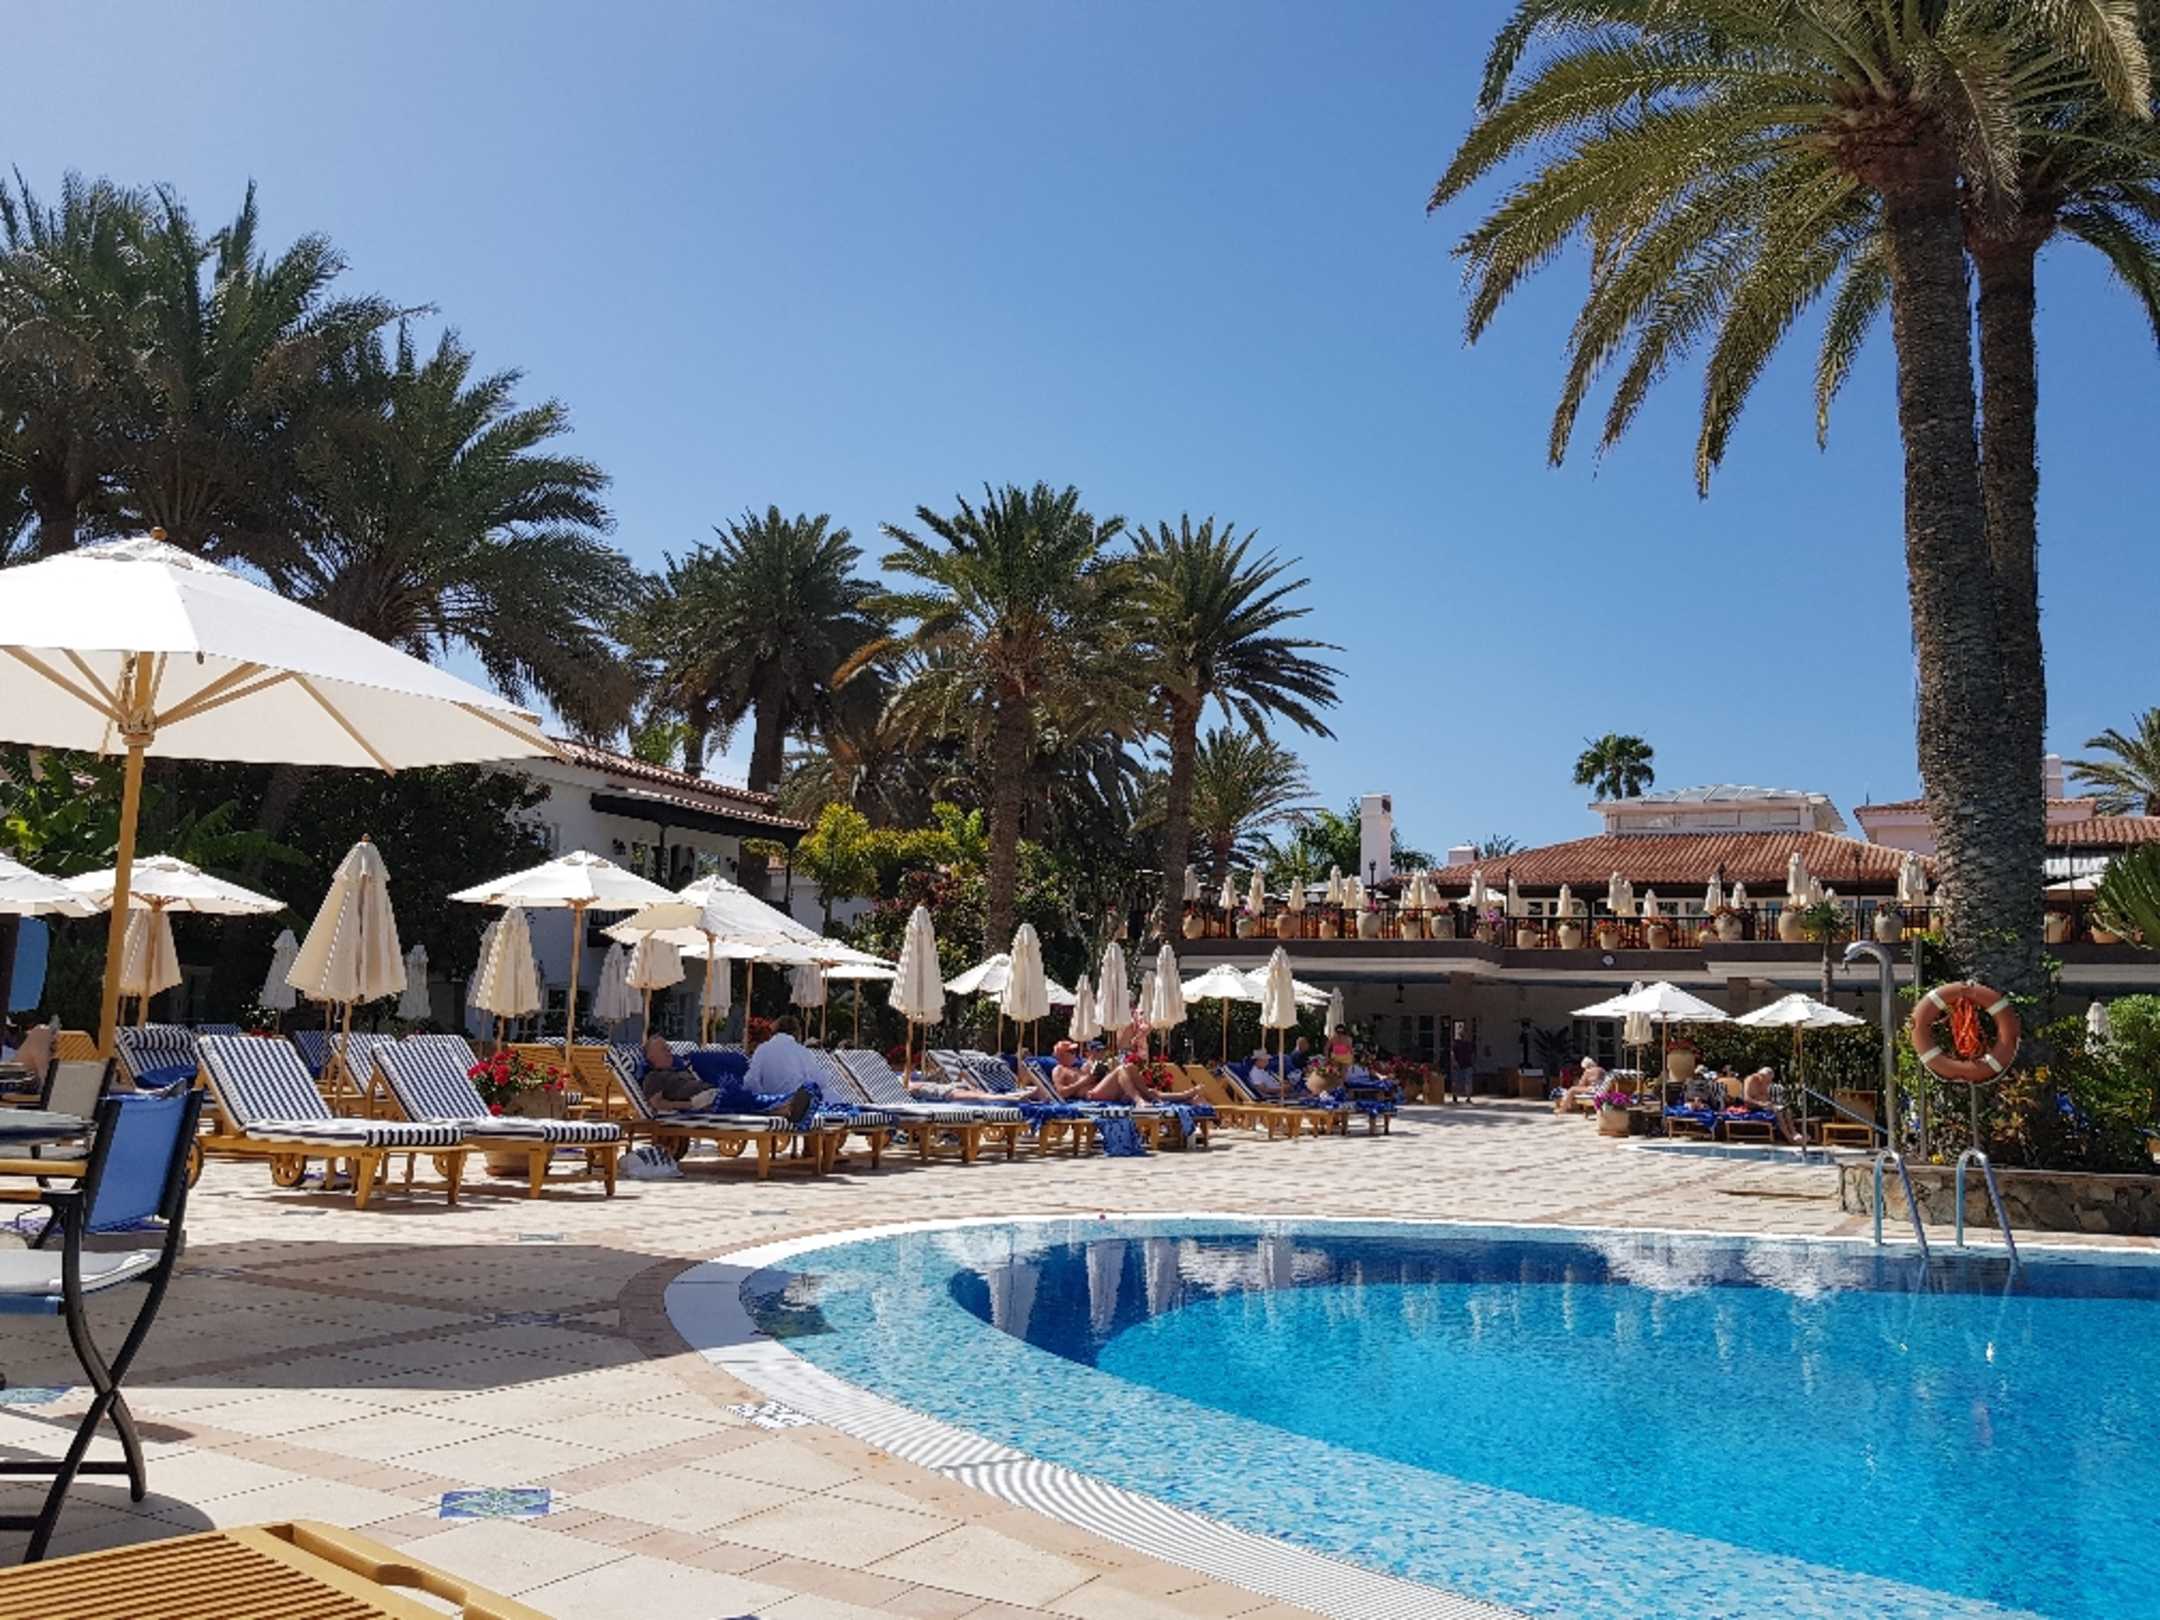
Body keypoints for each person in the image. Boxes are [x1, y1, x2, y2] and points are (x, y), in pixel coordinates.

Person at [1742, 1066, 1803, 1143]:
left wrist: (1770, 1103)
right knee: (1778, 1112)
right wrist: (1761, 1104)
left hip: (1765, 1105)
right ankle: (1789, 1137)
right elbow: (1746, 1099)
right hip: (1754, 1106)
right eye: (1767, 1080)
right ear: (1761, 1075)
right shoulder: (1750, 1080)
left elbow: (1766, 1097)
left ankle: (1794, 1133)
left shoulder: (1764, 1082)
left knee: (1787, 1110)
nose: (1769, 1083)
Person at [1448, 1022, 1477, 1104]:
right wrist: (1454, 1062)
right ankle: (1455, 1096)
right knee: (1456, 1082)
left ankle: (1468, 1097)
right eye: (1463, 1034)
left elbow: (1473, 1054)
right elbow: (1452, 1054)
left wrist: (1473, 1064)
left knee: (1468, 1082)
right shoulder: (1456, 1044)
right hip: (1458, 1065)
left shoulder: (1470, 1044)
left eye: (1465, 1034)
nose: (1464, 1036)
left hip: (1468, 1065)